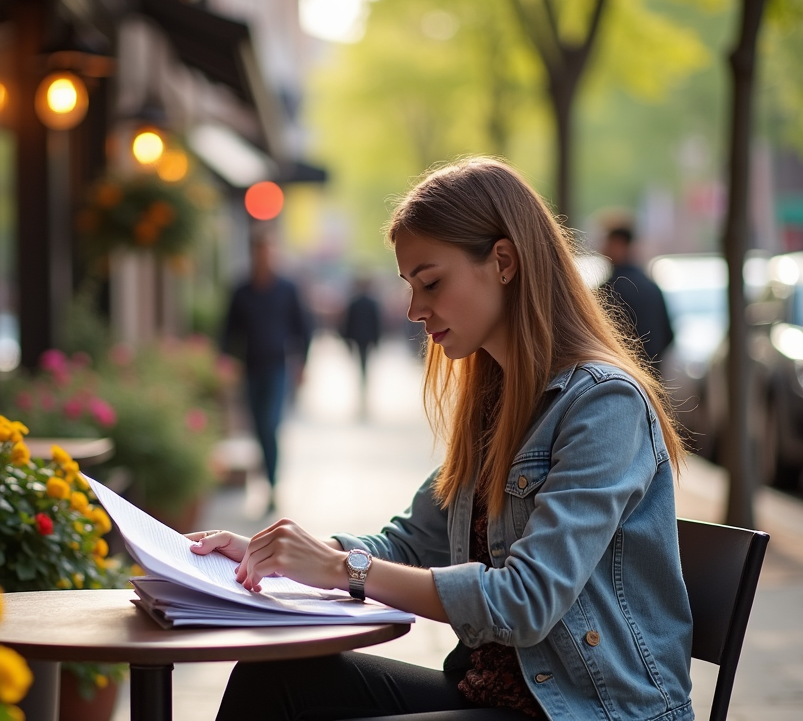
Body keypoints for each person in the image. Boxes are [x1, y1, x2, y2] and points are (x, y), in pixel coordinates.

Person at [192, 157, 694, 721]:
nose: (413, 310)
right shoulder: (500, 404)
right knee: (274, 678)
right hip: (498, 697)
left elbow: (526, 601)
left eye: (431, 282)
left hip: (583, 711)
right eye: (410, 286)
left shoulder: (605, 405)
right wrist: (285, 555)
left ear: (503, 261)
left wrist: (342, 571)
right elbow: (408, 544)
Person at [220, 232, 312, 514]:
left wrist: (303, 364)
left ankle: (271, 485)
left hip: (277, 368)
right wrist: (225, 363)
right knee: (258, 427)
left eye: (268, 251)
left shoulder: (286, 289)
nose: (264, 256)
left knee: (270, 425)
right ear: (253, 254)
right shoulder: (241, 290)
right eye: (259, 251)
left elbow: (304, 327)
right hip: (250, 368)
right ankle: (267, 481)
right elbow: (227, 331)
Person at [601, 224, 674, 366]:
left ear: (619, 245)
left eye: (607, 244)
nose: (603, 250)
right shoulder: (651, 286)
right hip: (652, 372)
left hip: (621, 370)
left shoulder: (610, 289)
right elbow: (668, 335)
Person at [340, 273, 383, 410]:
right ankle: (363, 390)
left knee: (361, 365)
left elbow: (346, 323)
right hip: (367, 338)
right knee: (364, 365)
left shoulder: (354, 302)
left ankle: (362, 390)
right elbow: (377, 323)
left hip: (357, 338)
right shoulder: (372, 303)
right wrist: (377, 340)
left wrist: (346, 339)